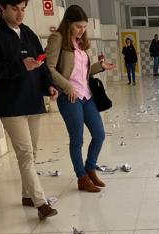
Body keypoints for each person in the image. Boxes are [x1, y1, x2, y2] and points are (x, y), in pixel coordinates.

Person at [0, 0, 58, 220]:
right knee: (25, 154)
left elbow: (42, 63)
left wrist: (49, 85)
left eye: (23, 9)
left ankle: (26, 195)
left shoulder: (28, 33)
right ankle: (41, 203)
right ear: (1, 8)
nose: (20, 14)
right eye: (14, 9)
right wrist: (21, 66)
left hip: (32, 100)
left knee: (31, 152)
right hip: (11, 104)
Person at [45, 5, 116, 193]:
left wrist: (100, 66)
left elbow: (82, 73)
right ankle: (81, 177)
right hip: (70, 98)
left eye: (84, 27)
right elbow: (49, 69)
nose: (82, 30)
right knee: (77, 140)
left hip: (87, 96)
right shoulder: (57, 39)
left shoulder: (79, 43)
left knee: (99, 135)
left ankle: (90, 168)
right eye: (78, 26)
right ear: (68, 23)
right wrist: (67, 87)